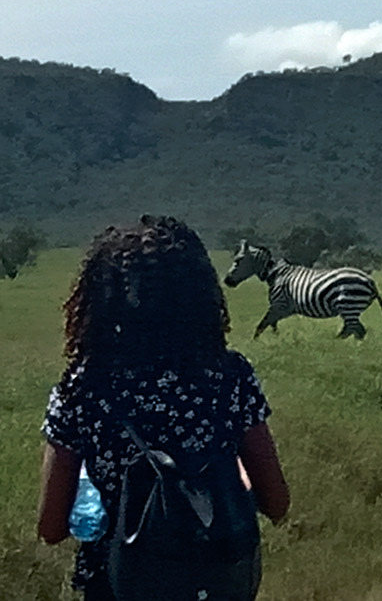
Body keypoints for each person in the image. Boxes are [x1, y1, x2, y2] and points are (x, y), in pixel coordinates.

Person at [37, 215, 290, 600]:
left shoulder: (83, 388)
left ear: (103, 297)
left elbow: (51, 527)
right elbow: (276, 503)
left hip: (119, 586)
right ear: (197, 294)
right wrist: (232, 475)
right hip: (214, 582)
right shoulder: (229, 378)